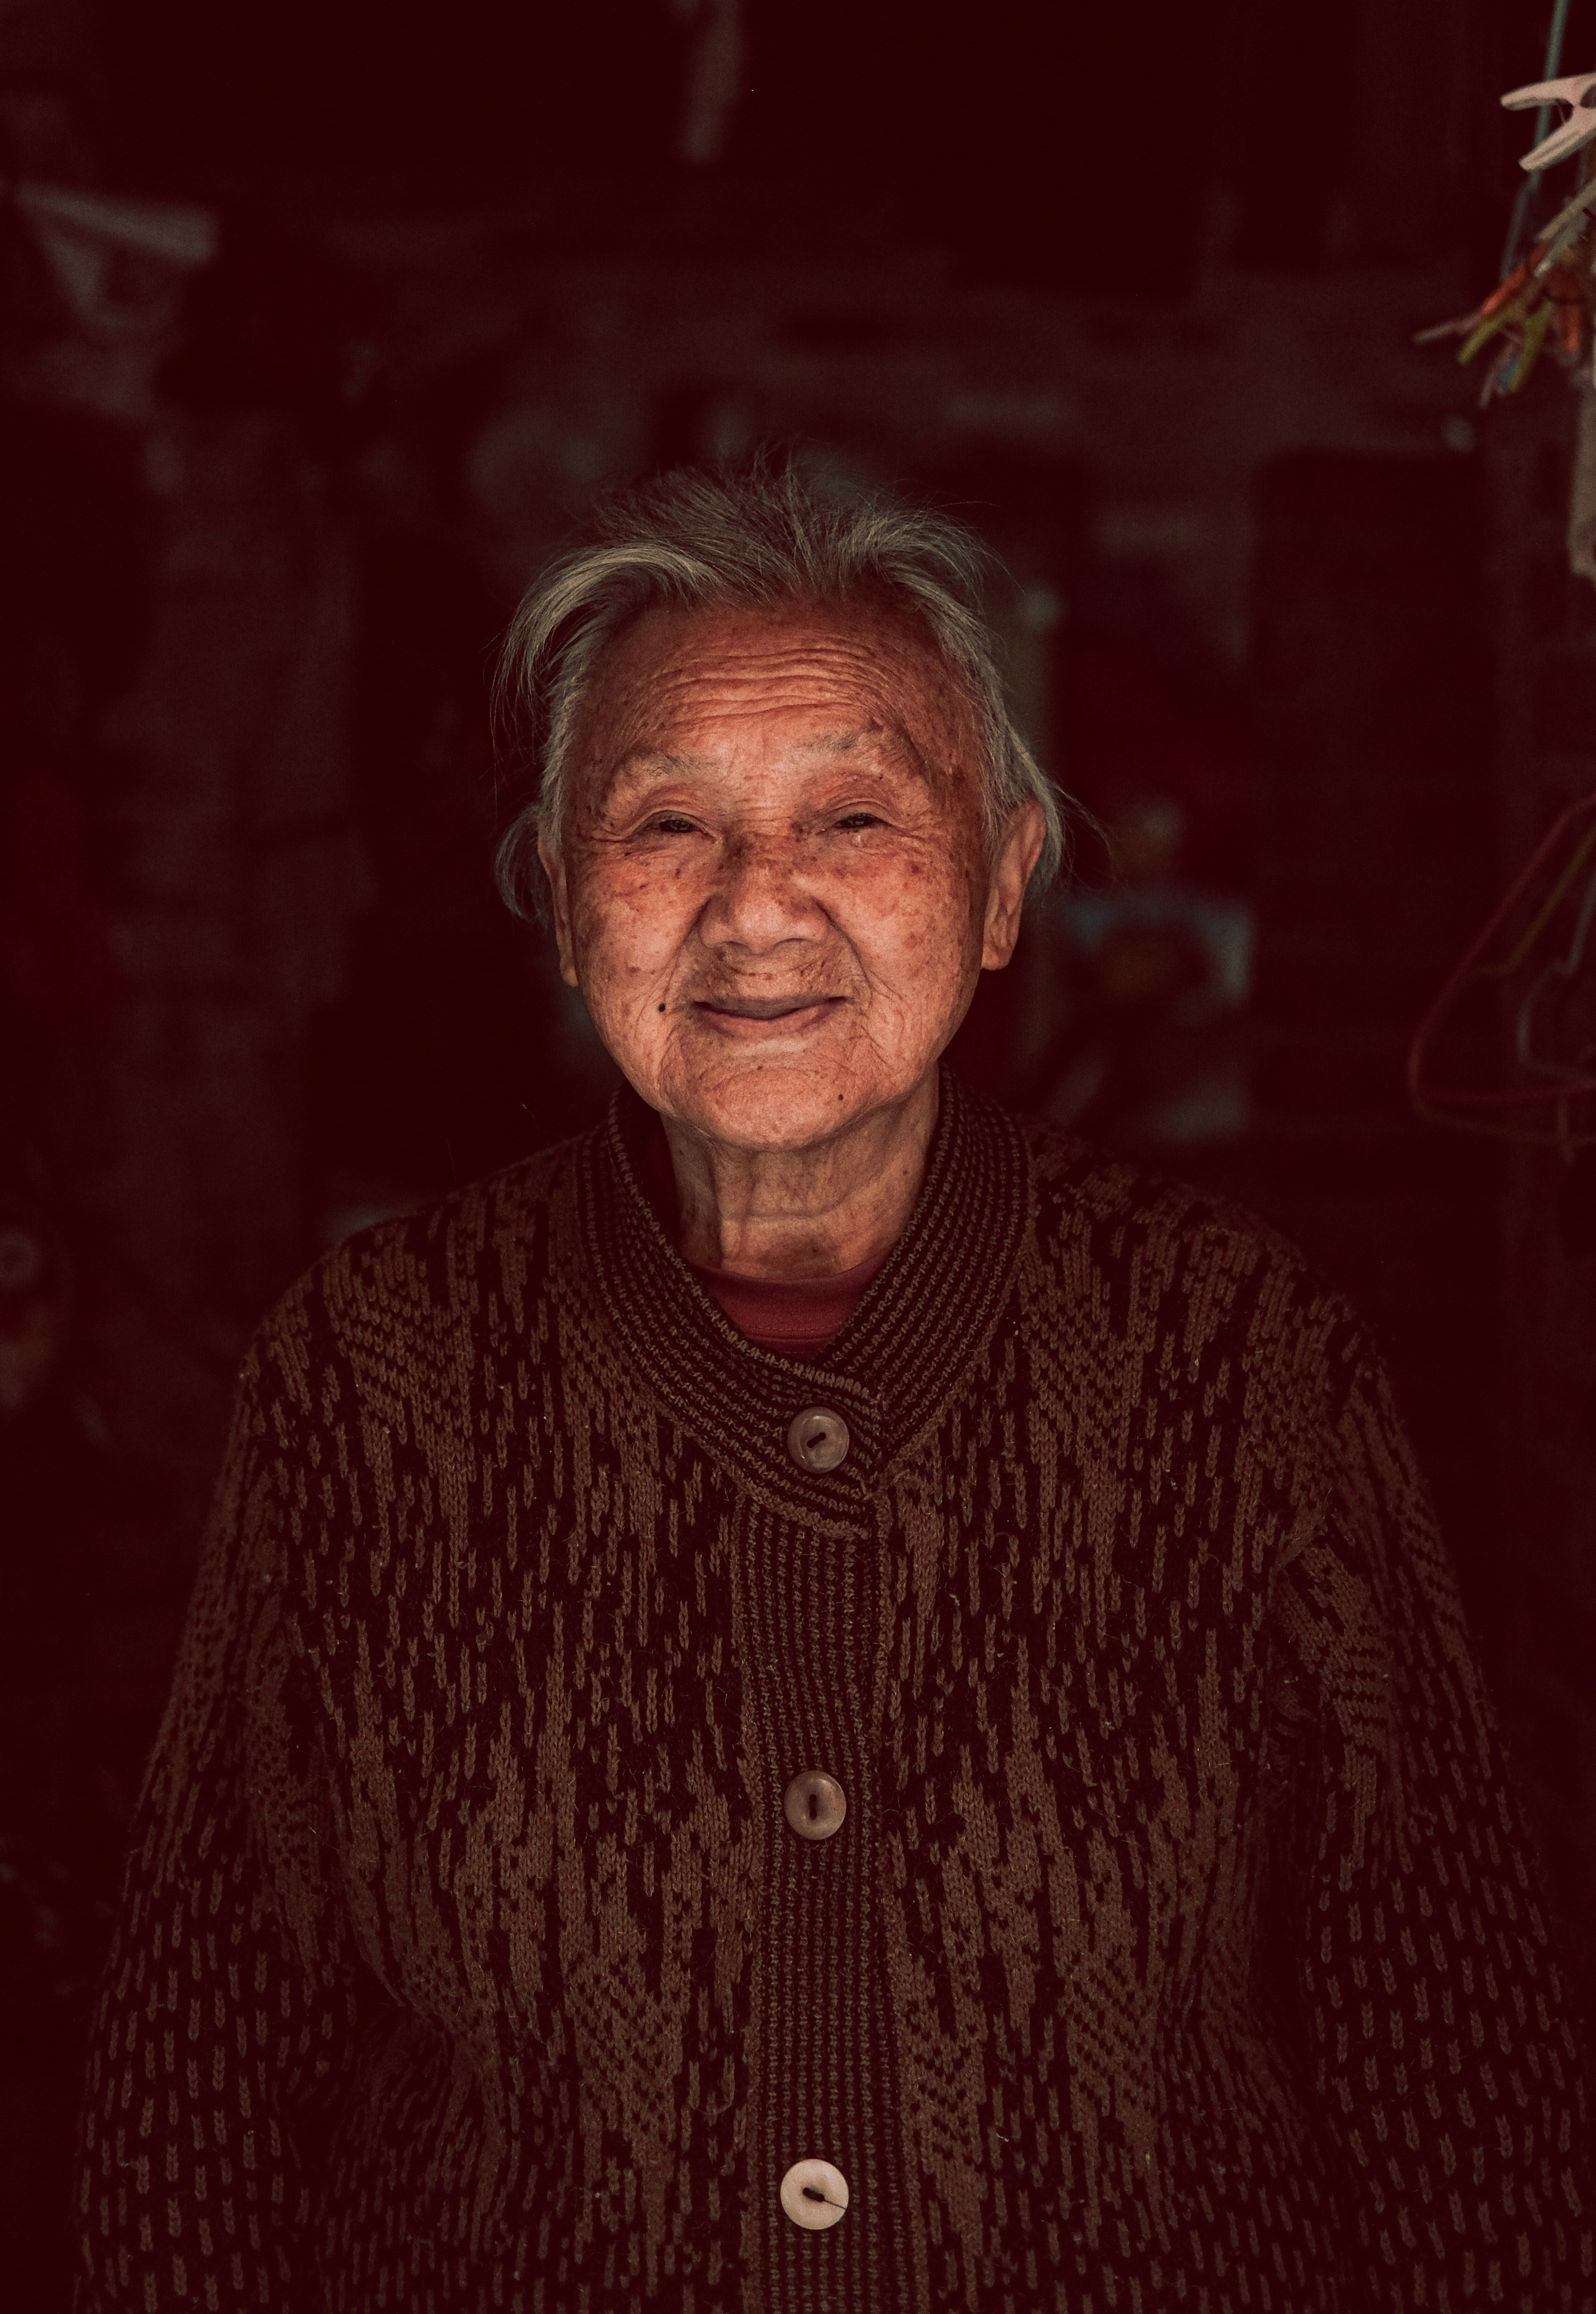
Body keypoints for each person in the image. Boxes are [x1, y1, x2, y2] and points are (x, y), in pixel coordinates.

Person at [75, 463, 1590, 2312]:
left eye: (856, 813)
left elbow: (1453, 2067)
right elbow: (196, 2082)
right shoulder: (371, 1371)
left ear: (1005, 880)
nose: (758, 908)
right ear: (561, 906)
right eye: (664, 830)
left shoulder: (1237, 1350)